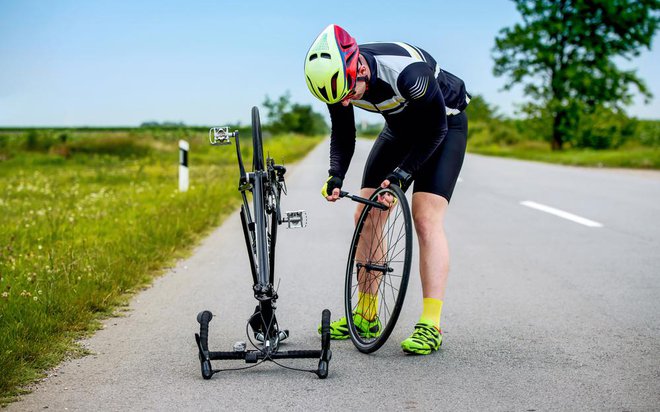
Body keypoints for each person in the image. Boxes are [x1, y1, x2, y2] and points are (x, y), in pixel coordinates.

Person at [304, 24, 469, 355]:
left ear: (360, 67)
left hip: (443, 127)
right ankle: (366, 316)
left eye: (351, 92)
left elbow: (434, 130)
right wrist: (336, 175)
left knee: (424, 217)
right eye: (339, 98)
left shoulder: (409, 74)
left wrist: (402, 176)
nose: (347, 101)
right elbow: (343, 132)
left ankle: (431, 324)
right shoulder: (339, 80)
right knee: (366, 213)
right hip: (400, 128)